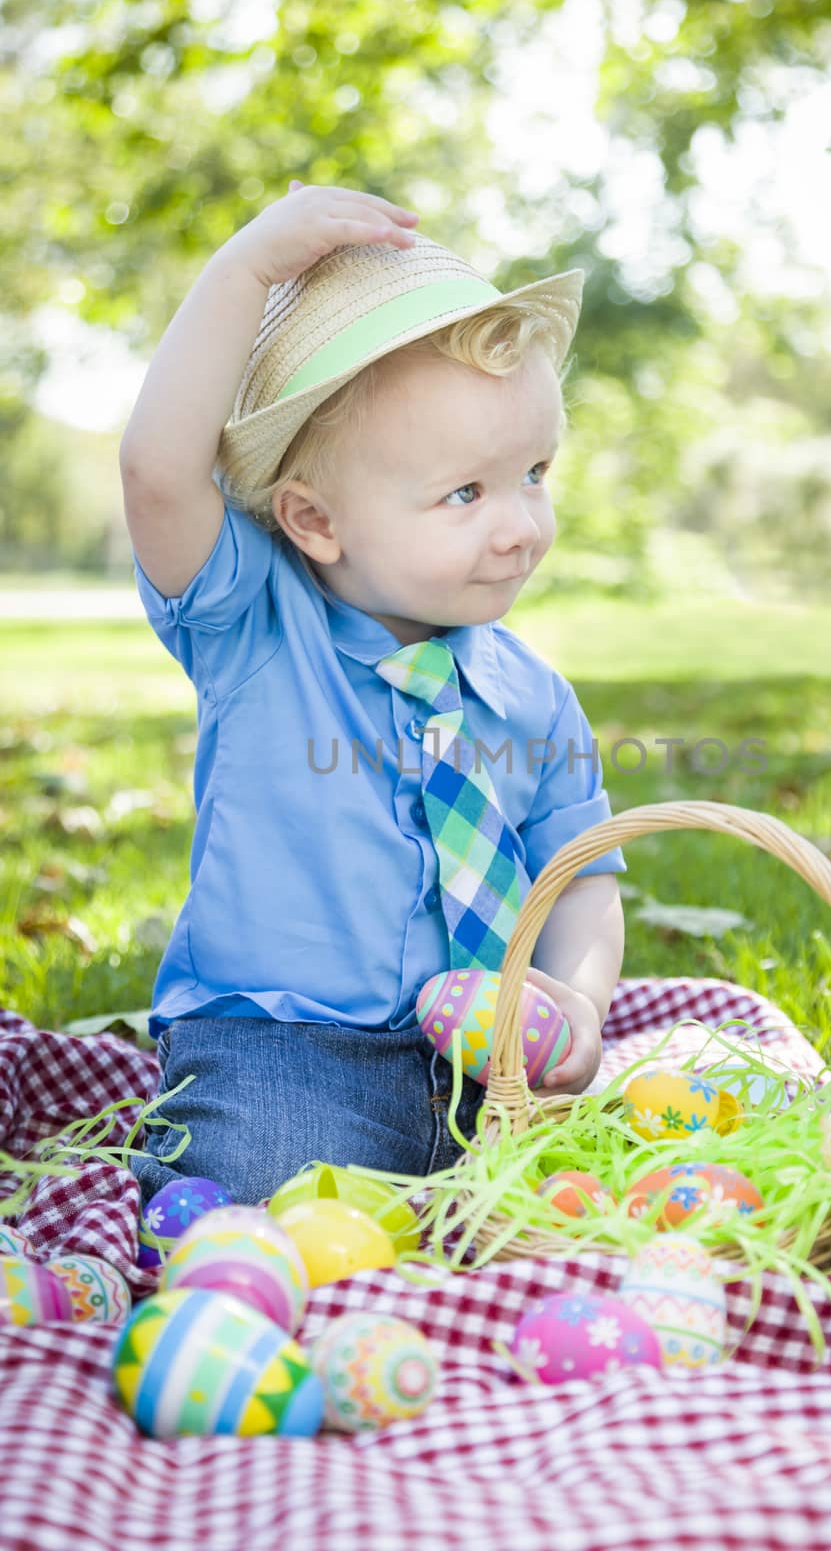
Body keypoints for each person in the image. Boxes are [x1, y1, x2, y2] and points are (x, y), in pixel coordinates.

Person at [122, 179, 628, 1207]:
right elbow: (158, 472)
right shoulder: (256, 628)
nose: (520, 524)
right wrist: (246, 269)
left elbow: (578, 878)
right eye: (465, 492)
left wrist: (574, 1004)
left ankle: (460, 1197)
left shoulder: (529, 694)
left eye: (534, 471)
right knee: (259, 1183)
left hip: (490, 1063)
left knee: (596, 1190)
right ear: (314, 520)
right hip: (290, 1044)